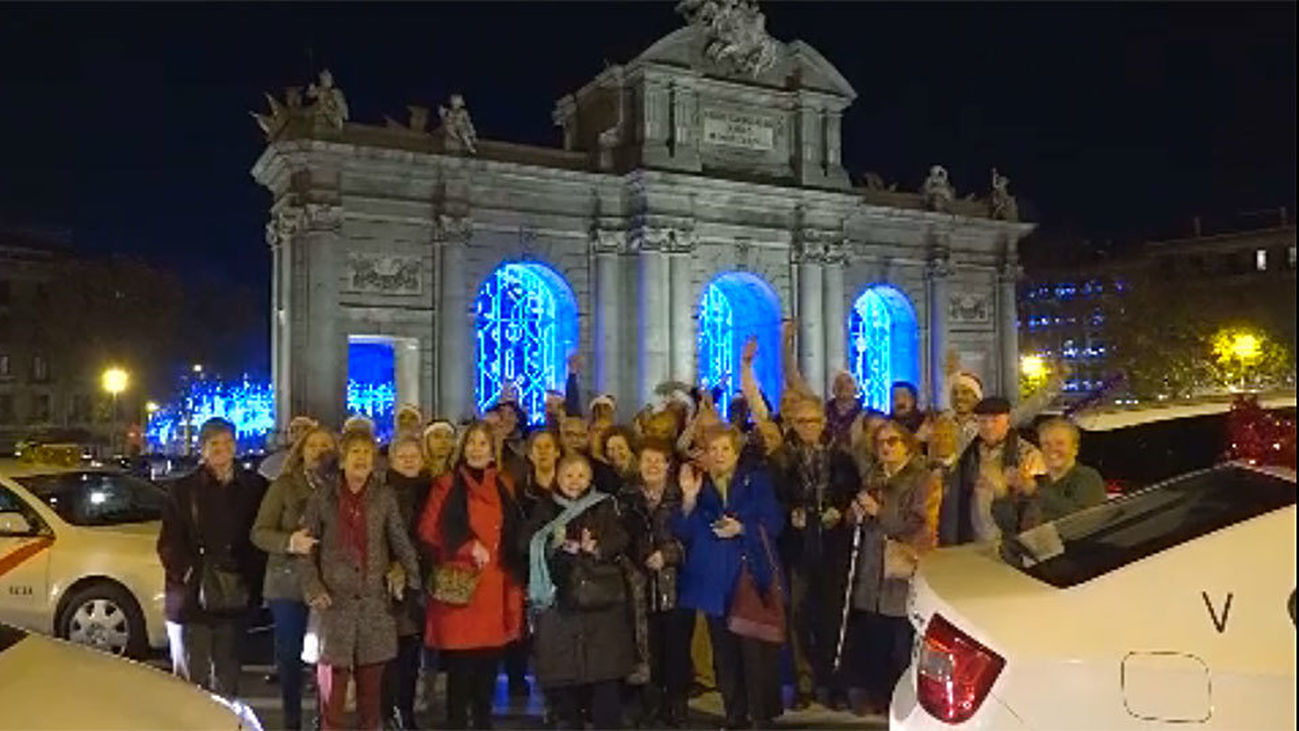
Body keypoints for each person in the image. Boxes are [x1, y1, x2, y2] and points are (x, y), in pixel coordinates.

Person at [300, 428, 422, 731]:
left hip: (372, 606)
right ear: (343, 459)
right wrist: (313, 587)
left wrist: (413, 579)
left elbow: (399, 540)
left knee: (372, 699)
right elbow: (305, 549)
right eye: (355, 452)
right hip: (332, 604)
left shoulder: (383, 497)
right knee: (332, 699)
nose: (362, 459)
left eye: (367, 453)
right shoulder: (322, 498)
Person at [673, 424, 784, 730]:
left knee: (754, 653)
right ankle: (735, 716)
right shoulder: (698, 484)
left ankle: (761, 716)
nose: (719, 455)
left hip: (749, 576)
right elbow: (683, 532)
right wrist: (689, 500)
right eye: (712, 450)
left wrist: (744, 527)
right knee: (724, 654)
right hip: (713, 582)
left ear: (736, 452)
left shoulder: (755, 480)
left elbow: (774, 522)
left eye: (725, 449)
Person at [420, 421, 526, 730]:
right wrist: (466, 546)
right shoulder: (447, 483)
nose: (478, 449)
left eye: (484, 443)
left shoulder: (503, 483)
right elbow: (429, 529)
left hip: (496, 584)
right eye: (472, 443)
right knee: (461, 671)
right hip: (462, 588)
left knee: (488, 669)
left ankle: (482, 723)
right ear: (462, 448)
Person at [158, 417, 268, 699]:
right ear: (202, 448)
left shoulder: (254, 487)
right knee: (191, 680)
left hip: (234, 594)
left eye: (228, 442)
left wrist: (249, 579)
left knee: (228, 675)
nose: (222, 449)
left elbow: (259, 536)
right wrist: (188, 574)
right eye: (214, 443)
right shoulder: (183, 490)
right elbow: (169, 542)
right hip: (191, 595)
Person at [836, 420, 939, 717]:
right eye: (880, 442)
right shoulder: (873, 477)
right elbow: (855, 520)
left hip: (901, 570)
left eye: (893, 441)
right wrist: (854, 514)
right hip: (871, 572)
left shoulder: (923, 480)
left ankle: (906, 705)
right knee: (875, 642)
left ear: (907, 444)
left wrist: (879, 512)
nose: (886, 447)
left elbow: (921, 526)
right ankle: (879, 698)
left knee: (902, 644)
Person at [525, 452, 635, 730]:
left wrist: (595, 548)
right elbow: (524, 542)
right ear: (557, 478)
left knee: (604, 682)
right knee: (565, 685)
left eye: (581, 475)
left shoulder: (605, 505)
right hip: (560, 605)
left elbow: (621, 538)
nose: (575, 481)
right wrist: (552, 545)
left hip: (601, 604)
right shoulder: (545, 508)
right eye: (568, 475)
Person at [251, 424, 337, 730]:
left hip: (329, 583)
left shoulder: (339, 486)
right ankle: (292, 720)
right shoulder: (285, 485)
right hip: (287, 583)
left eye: (326, 444)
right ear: (301, 451)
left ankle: (324, 718)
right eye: (313, 445)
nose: (319, 451)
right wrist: (289, 542)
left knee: (327, 657)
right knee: (290, 656)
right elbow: (259, 532)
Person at [776, 397, 859, 711]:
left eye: (814, 420)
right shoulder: (781, 458)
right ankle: (802, 681)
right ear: (793, 425)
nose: (808, 427)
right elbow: (774, 497)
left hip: (831, 544)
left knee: (830, 615)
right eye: (802, 421)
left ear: (823, 422)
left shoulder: (841, 456)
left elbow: (852, 490)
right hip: (796, 547)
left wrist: (839, 509)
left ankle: (832, 681)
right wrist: (789, 513)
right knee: (796, 615)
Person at [619, 439, 691, 727]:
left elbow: (692, 536)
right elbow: (620, 538)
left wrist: (669, 554)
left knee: (675, 649)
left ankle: (676, 704)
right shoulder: (626, 497)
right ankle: (650, 704)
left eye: (658, 460)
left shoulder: (681, 496)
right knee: (646, 649)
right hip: (638, 584)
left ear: (667, 465)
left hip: (675, 584)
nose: (652, 466)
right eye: (647, 460)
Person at [941, 396, 1046, 546]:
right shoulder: (968, 453)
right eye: (983, 421)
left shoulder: (1027, 454)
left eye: (995, 421)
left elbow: (1038, 499)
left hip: (1010, 537)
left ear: (1007, 421)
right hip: (973, 537)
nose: (988, 426)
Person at [384, 435, 433, 730]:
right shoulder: (383, 491)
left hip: (421, 578)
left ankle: (406, 708)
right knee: (391, 650)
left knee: (412, 652)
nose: (409, 459)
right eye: (402, 454)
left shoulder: (431, 489)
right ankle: (389, 711)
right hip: (391, 579)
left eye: (414, 454)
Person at [1034, 418, 1106, 521]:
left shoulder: (1087, 478)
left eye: (1060, 443)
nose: (1052, 449)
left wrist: (1035, 491)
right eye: (1046, 444)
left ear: (1075, 449)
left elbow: (1082, 518)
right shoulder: (1040, 483)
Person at [260, 415, 320, 481]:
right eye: (293, 430)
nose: (298, 433)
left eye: (305, 428)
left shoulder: (322, 460)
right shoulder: (272, 462)